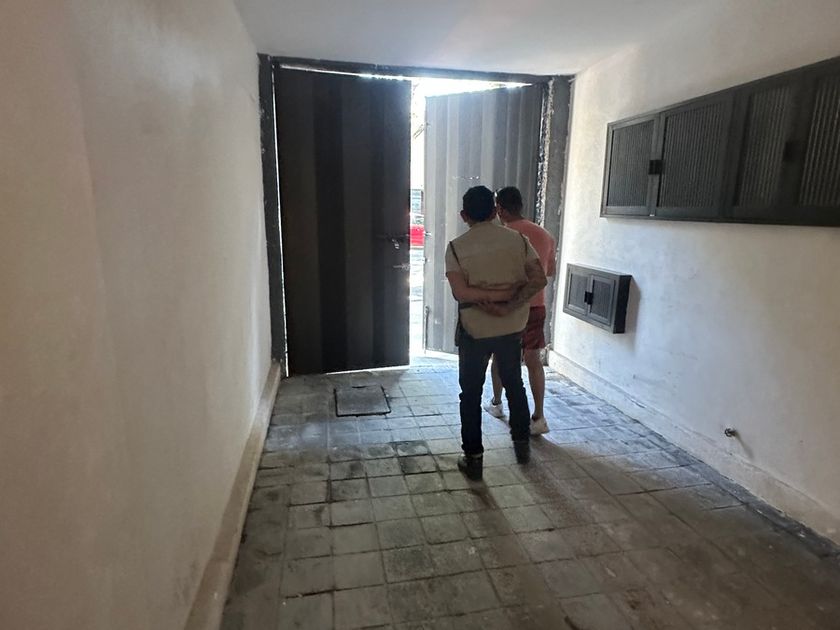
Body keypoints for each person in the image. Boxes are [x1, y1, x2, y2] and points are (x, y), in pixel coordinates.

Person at [445, 186, 547, 480]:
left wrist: (488, 299)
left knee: (470, 393)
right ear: (494, 211)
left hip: (475, 328)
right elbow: (538, 279)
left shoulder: (456, 247)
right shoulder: (518, 241)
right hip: (511, 326)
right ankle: (522, 446)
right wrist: (508, 302)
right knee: (514, 384)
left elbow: (460, 292)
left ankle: (474, 458)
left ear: (463, 215)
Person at [484, 187, 557, 435]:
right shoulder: (545, 235)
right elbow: (549, 271)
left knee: (501, 357)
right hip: (536, 305)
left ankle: (497, 404)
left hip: (509, 307)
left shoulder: (502, 235)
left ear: (500, 209)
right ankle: (539, 417)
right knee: (533, 360)